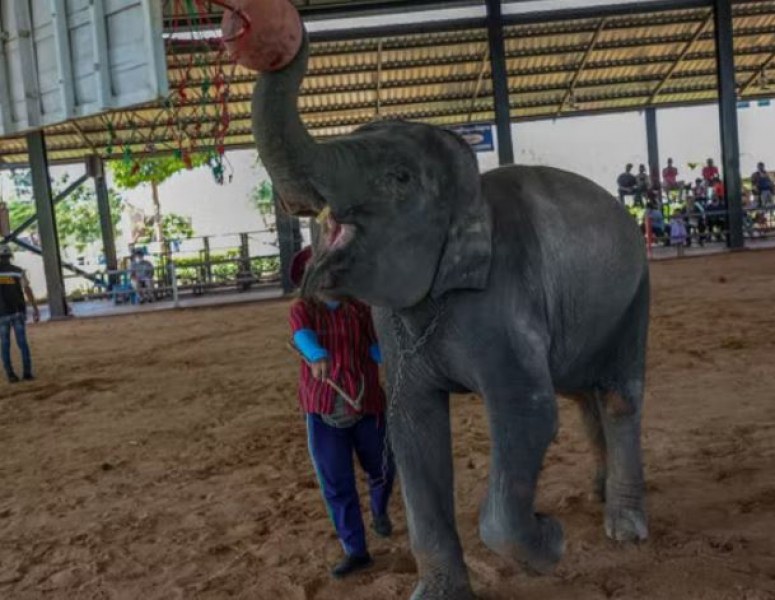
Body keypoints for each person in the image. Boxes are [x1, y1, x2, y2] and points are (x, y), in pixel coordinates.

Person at [288, 246, 395, 579]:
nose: (330, 276)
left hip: (366, 405)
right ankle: (356, 550)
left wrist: (390, 356)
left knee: (384, 468)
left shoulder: (360, 310)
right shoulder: (302, 309)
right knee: (336, 483)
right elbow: (302, 334)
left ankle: (379, 511)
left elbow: (373, 346)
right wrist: (316, 354)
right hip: (323, 410)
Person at [0, 245, 40, 383]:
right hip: (18, 311)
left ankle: (10, 374)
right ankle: (27, 373)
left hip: (1, 314)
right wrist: (35, 308)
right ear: (10, 257)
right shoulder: (18, 272)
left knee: (5, 344)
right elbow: (27, 290)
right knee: (22, 343)